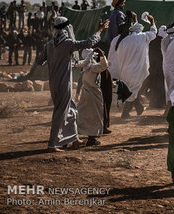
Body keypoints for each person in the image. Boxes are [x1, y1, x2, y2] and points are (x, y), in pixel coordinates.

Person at [36, 17, 108, 152]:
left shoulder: (50, 45)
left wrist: (54, 60)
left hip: (54, 84)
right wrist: (100, 30)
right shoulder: (67, 43)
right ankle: (52, 144)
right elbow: (88, 43)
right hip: (64, 84)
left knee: (72, 111)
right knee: (60, 113)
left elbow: (40, 61)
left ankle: (74, 140)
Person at [108, 16, 157, 118]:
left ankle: (139, 108)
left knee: (131, 91)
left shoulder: (123, 40)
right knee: (132, 92)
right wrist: (152, 21)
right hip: (137, 71)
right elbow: (154, 32)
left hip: (125, 71)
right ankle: (125, 113)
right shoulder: (143, 37)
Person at [75, 48, 108, 146]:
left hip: (86, 93)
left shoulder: (85, 67)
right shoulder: (93, 67)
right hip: (94, 94)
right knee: (95, 116)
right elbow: (104, 65)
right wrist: (102, 55)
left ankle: (74, 135)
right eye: (94, 55)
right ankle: (92, 139)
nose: (96, 56)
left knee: (83, 115)